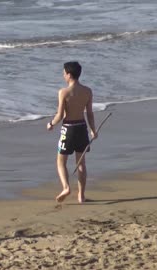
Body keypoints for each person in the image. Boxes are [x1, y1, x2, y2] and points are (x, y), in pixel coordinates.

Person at [47, 62, 97, 203]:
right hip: (82, 128)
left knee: (60, 161)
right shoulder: (87, 91)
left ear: (69, 74)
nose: (63, 75)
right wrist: (93, 130)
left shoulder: (64, 92)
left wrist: (50, 124)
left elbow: (59, 115)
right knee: (81, 163)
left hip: (68, 129)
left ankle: (66, 187)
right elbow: (90, 114)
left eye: (64, 73)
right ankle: (81, 196)